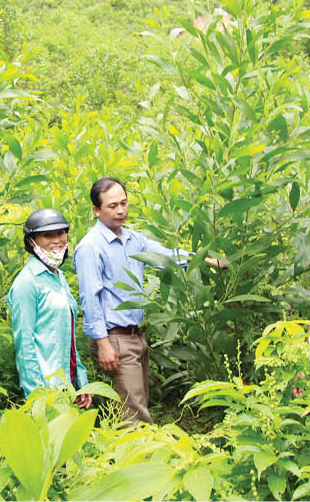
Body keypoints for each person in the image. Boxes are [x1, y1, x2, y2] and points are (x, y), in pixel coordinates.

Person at [74, 177, 220, 424]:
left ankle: (137, 458)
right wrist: (103, 343)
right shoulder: (91, 247)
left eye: (124, 203)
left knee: (136, 407)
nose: (121, 210)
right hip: (115, 339)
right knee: (132, 417)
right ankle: (140, 460)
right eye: (112, 206)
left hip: (136, 336)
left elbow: (166, 255)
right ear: (96, 210)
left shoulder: (133, 239)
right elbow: (90, 299)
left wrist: (205, 261)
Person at [7, 207, 91, 408]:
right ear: (32, 241)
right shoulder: (27, 282)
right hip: (47, 390)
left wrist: (82, 383)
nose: (57, 240)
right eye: (47, 235)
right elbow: (24, 344)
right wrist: (37, 397)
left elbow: (67, 336)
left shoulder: (58, 277)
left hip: (68, 385)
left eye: (60, 233)